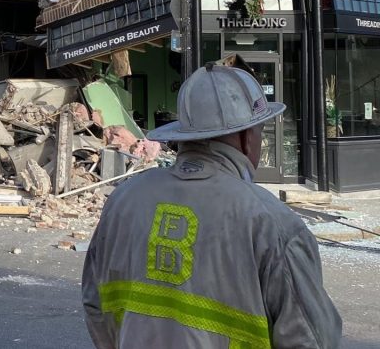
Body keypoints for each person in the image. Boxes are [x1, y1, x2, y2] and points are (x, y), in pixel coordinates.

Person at [82, 63, 342, 348]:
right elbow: (313, 340)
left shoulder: (123, 200)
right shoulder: (274, 225)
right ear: (246, 137)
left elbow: (95, 305)